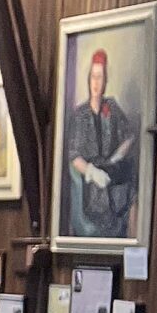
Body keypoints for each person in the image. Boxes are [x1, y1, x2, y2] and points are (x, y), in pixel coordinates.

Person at [65, 46, 138, 238]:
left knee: (132, 191)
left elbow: (130, 135)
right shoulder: (80, 115)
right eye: (93, 77)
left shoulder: (111, 107)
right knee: (107, 202)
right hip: (93, 178)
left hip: (112, 169)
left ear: (105, 81)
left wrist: (117, 157)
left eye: (100, 77)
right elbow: (74, 155)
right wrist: (91, 171)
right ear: (89, 79)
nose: (96, 82)